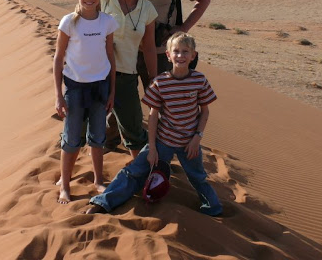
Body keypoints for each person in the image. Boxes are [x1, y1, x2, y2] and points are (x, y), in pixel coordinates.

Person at [85, 32, 222, 216]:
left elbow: (204, 111)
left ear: (193, 55)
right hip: (162, 140)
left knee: (198, 178)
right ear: (168, 55)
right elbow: (153, 116)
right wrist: (152, 148)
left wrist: (197, 138)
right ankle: (103, 202)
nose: (180, 56)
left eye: (185, 51)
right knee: (133, 170)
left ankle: (213, 209)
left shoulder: (199, 80)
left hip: (189, 142)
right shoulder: (160, 82)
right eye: (176, 51)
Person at [53, 0, 118, 204]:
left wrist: (112, 92)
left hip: (100, 88)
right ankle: (65, 185)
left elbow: (111, 57)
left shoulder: (107, 22)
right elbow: (58, 58)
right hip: (75, 88)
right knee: (71, 139)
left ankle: (98, 180)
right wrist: (59, 96)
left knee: (98, 138)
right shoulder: (69, 22)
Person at [102, 0, 158, 159]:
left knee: (133, 130)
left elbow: (149, 47)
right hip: (96, 73)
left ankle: (143, 174)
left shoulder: (147, 8)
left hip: (126, 75)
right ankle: (67, 180)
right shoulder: (102, 1)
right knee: (84, 126)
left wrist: (153, 78)